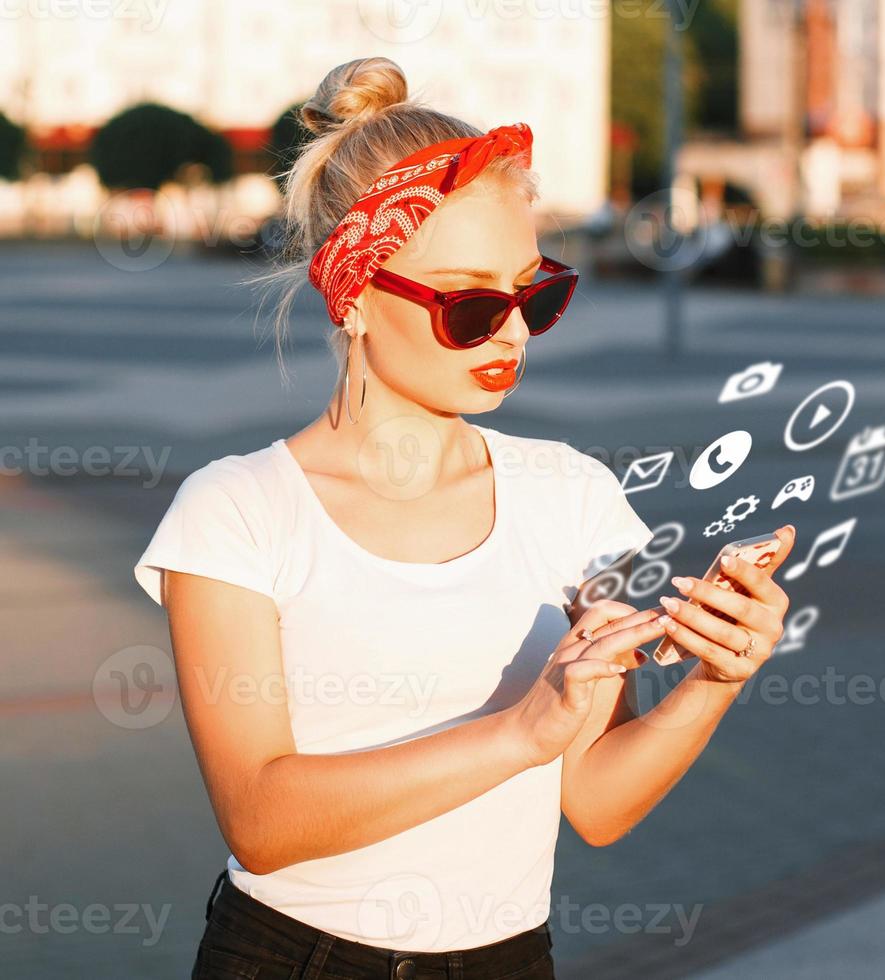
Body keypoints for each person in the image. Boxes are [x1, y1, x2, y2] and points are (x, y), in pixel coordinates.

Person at [133, 57, 795, 980]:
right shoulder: (239, 510)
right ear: (354, 295)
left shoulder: (574, 498)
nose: (516, 333)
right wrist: (524, 729)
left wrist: (719, 675)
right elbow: (264, 820)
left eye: (536, 292)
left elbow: (597, 804)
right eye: (473, 304)